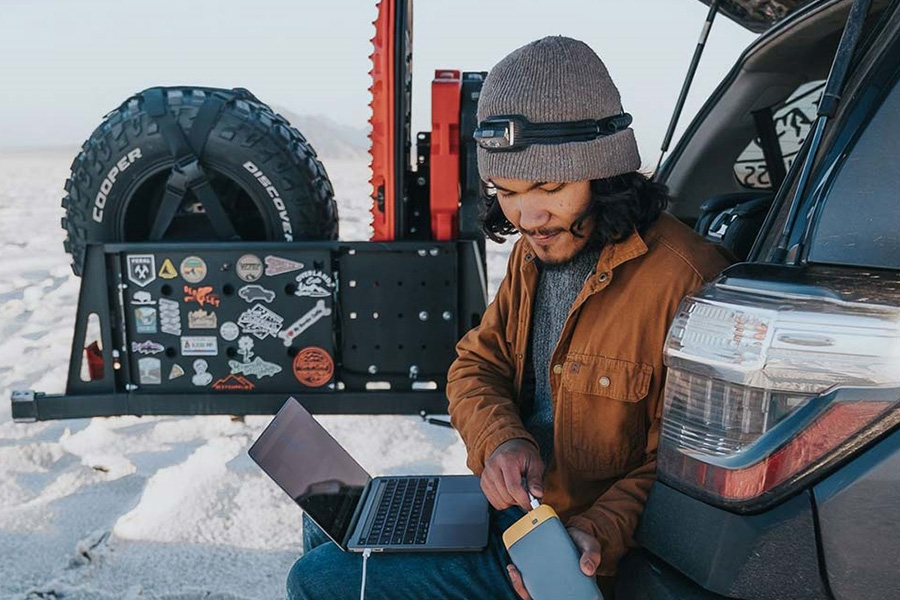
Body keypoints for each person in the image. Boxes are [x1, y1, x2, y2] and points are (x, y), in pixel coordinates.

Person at [286, 35, 731, 600]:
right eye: (508, 191)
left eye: (549, 187)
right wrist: (501, 441)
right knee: (331, 518)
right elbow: (476, 365)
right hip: (519, 514)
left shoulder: (688, 281)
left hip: (578, 547)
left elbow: (683, 472)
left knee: (316, 579)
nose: (528, 215)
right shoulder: (535, 252)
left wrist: (597, 530)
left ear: (607, 172)